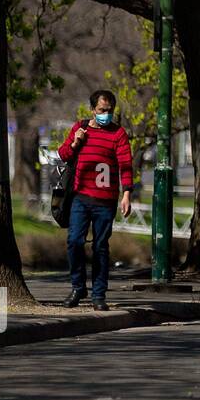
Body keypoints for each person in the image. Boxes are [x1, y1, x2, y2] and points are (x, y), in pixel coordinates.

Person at [57, 90, 134, 311]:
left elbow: (126, 165)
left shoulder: (118, 134)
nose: (106, 114)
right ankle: (77, 287)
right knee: (74, 241)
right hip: (81, 197)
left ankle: (98, 294)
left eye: (109, 111)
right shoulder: (80, 128)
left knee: (101, 246)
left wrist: (127, 193)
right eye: (102, 110)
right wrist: (75, 143)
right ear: (93, 109)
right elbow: (63, 154)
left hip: (106, 200)